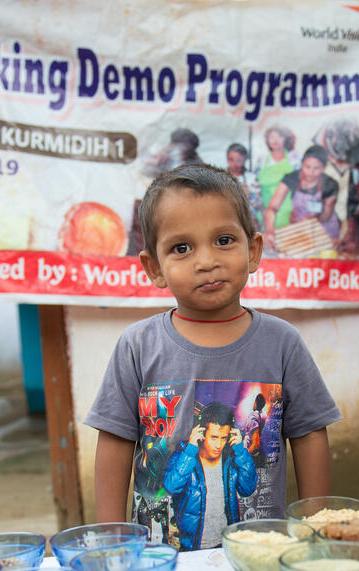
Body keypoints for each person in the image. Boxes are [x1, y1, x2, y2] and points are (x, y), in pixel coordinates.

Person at [85, 163, 341, 550]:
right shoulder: (137, 346)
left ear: (253, 251)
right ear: (154, 267)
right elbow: (116, 441)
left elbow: (309, 435)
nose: (206, 261)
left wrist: (314, 528)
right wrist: (110, 535)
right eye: (182, 248)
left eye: (223, 240)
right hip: (162, 559)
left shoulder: (282, 342)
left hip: (259, 555)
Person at [161, 401, 257, 550]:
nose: (219, 445)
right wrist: (190, 451)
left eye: (223, 438)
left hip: (226, 544)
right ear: (201, 433)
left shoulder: (232, 458)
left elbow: (248, 489)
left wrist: (240, 452)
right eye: (214, 437)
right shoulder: (184, 454)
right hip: (192, 547)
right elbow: (171, 487)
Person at [263, 145, 340, 255]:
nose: (310, 172)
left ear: (324, 168)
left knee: (320, 260)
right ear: (302, 164)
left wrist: (313, 218)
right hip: (299, 225)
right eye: (307, 167)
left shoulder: (330, 184)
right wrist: (270, 231)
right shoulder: (291, 178)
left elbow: (326, 215)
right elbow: (272, 208)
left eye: (316, 168)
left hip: (323, 228)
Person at [255, 125, 300, 231]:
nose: (275, 140)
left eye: (279, 137)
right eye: (271, 137)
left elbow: (301, 185)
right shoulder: (262, 160)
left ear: (286, 139)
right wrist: (261, 208)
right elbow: (256, 186)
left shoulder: (295, 159)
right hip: (266, 209)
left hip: (289, 210)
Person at [225, 143, 263, 228]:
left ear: (245, 160)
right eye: (231, 159)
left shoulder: (252, 178)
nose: (234, 164)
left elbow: (257, 203)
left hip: (248, 221)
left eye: (238, 160)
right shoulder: (219, 177)